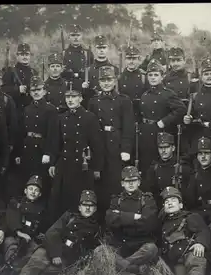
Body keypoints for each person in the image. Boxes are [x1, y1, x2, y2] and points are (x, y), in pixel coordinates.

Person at [16, 189, 101, 275]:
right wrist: (55, 254)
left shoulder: (95, 228)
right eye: (85, 205)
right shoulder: (69, 217)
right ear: (79, 207)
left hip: (67, 259)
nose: (87, 208)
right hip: (51, 249)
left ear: (95, 209)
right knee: (36, 263)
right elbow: (52, 233)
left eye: (91, 206)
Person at [47, 85, 104, 230]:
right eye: (68, 97)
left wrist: (97, 168)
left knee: (80, 199)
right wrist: (53, 163)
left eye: (74, 97)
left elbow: (97, 145)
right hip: (64, 164)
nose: (70, 100)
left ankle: (81, 231)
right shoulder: (61, 118)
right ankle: (60, 230)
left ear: (80, 98)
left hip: (83, 166)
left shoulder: (89, 118)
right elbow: (56, 143)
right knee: (60, 198)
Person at [87, 65, 135, 215]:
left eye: (109, 79)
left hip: (117, 144)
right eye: (103, 80)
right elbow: (90, 126)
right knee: (100, 181)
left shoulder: (124, 100)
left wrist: (126, 149)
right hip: (100, 144)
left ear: (115, 80)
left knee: (115, 181)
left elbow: (128, 126)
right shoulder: (94, 101)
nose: (106, 83)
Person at [99, 166, 160, 274]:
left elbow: (148, 224)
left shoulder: (147, 199)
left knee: (152, 248)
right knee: (99, 251)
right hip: (120, 243)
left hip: (140, 245)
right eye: (128, 181)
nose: (131, 184)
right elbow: (110, 220)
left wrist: (121, 217)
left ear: (139, 182)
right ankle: (132, 269)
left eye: (134, 180)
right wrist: (135, 217)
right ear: (122, 183)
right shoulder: (116, 200)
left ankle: (121, 266)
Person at [13, 76, 59, 200]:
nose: (36, 92)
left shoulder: (51, 110)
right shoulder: (27, 109)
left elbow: (53, 134)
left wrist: (48, 153)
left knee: (42, 181)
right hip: (28, 150)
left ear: (44, 91)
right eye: (33, 90)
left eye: (39, 89)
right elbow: (21, 133)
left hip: (42, 150)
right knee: (27, 179)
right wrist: (18, 153)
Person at [138, 59, 186, 176]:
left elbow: (181, 109)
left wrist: (164, 121)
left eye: (156, 75)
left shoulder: (168, 94)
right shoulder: (145, 95)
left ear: (162, 76)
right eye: (150, 75)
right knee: (145, 165)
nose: (153, 78)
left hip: (161, 134)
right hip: (145, 134)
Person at [160, 186, 210, 275]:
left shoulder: (190, 217)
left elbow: (203, 230)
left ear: (181, 205)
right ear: (163, 207)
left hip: (188, 255)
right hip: (173, 261)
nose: (170, 203)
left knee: (197, 257)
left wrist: (200, 243)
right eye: (167, 201)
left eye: (174, 200)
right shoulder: (161, 223)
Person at [2, 175, 48, 274]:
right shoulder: (16, 203)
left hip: (29, 238)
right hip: (14, 235)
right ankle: (9, 268)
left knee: (34, 251)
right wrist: (19, 232)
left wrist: (40, 234)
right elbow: (11, 218)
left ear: (39, 194)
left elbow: (40, 225)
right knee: (11, 247)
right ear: (25, 191)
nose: (33, 192)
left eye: (36, 190)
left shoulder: (40, 208)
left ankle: (18, 270)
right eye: (30, 189)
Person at [0, 66, 19, 203]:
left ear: (1, 82)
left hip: (3, 143)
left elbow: (13, 124)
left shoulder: (7, 100)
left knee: (4, 174)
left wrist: (11, 143)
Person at [143, 132, 193, 209]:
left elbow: (189, 194)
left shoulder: (183, 167)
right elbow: (151, 192)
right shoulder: (153, 168)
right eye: (160, 148)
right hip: (161, 208)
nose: (163, 150)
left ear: (173, 148)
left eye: (166, 147)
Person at [184, 137, 211, 224]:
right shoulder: (194, 175)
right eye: (200, 154)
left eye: (206, 153)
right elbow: (190, 201)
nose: (203, 156)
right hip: (199, 214)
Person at [82, 34, 120, 106]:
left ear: (107, 48)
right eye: (99, 48)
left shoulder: (115, 69)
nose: (101, 50)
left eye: (104, 47)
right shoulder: (88, 70)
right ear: (95, 49)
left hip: (111, 105)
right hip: (94, 105)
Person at [118, 45, 149, 125]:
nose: (131, 61)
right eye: (129, 58)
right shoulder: (119, 78)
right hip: (124, 116)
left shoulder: (144, 77)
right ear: (125, 60)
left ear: (138, 60)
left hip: (140, 117)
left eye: (134, 59)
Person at [61, 24, 95, 92]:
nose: (76, 38)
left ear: (81, 36)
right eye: (73, 35)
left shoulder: (88, 53)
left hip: (84, 87)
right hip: (69, 88)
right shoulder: (64, 54)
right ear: (69, 37)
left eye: (78, 35)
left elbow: (92, 71)